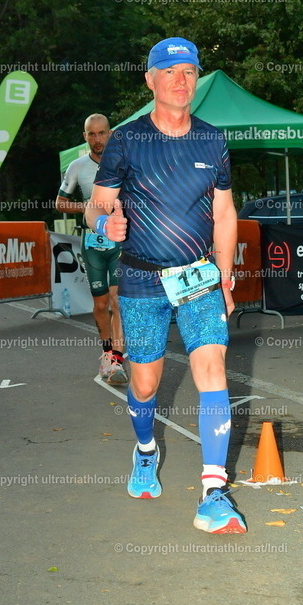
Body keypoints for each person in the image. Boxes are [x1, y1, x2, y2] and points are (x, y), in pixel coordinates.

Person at [85, 39, 247, 534]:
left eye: (190, 71)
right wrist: (103, 224)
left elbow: (224, 213)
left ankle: (214, 492)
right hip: (141, 279)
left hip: (199, 277)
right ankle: (145, 450)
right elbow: (97, 205)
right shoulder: (127, 139)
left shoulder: (212, 140)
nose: (181, 80)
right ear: (150, 79)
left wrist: (226, 277)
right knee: (144, 384)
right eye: (170, 71)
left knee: (212, 368)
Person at [56, 114, 128, 385]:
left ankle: (116, 360)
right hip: (92, 243)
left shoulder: (122, 162)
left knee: (117, 300)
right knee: (100, 304)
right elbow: (60, 203)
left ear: (110, 133)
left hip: (120, 242)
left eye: (102, 133)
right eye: (92, 134)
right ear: (85, 136)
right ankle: (107, 351)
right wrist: (85, 207)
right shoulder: (77, 166)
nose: (97, 139)